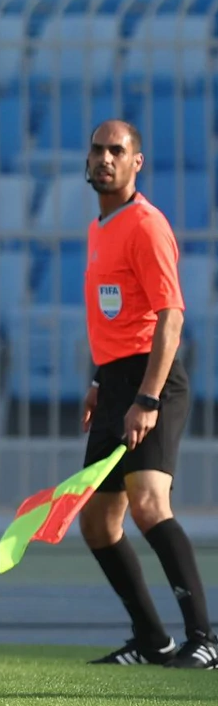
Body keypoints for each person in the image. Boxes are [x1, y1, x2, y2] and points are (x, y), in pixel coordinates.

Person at [78, 119, 217, 668]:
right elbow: (115, 315)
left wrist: (148, 399)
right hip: (114, 383)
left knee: (149, 506)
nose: (105, 158)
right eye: (98, 149)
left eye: (118, 150)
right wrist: (98, 381)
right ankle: (152, 639)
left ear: (137, 163)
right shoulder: (100, 227)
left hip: (151, 383)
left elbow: (171, 318)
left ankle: (203, 638)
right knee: (96, 523)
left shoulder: (146, 225)